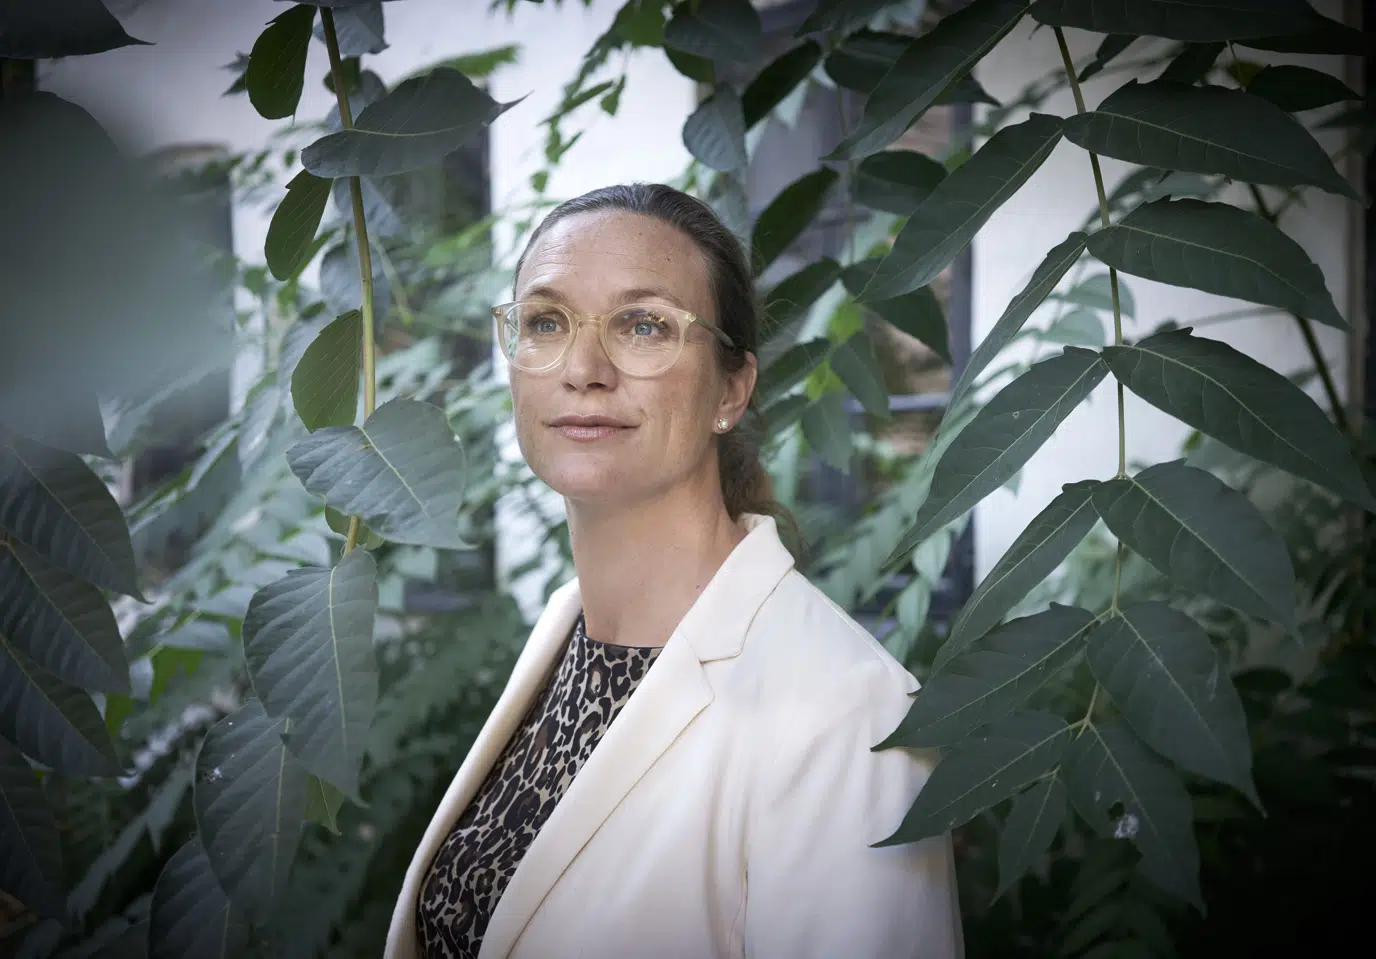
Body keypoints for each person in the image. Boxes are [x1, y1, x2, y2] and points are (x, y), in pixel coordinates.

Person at [383, 183, 963, 959]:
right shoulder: (566, 638)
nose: (583, 367)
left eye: (645, 325)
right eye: (546, 321)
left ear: (732, 387)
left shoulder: (850, 713)